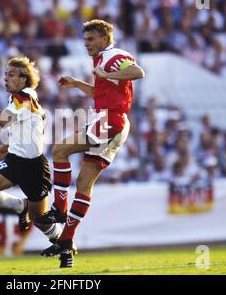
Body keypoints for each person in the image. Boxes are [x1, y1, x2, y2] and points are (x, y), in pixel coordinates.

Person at [36, 19, 145, 267]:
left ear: (105, 39)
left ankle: (60, 209)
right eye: (85, 40)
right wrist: (77, 84)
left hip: (110, 120)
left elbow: (138, 72)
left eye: (91, 39)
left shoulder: (112, 55)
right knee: (84, 183)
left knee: (60, 149)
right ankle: (66, 241)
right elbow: (102, 92)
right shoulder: (101, 60)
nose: (87, 44)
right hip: (115, 124)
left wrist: (106, 73)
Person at [0, 57, 62, 247]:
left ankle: (64, 245)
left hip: (34, 167)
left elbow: (4, 121)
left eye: (11, 75)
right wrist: (10, 144)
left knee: (40, 220)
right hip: (14, 160)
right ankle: (19, 205)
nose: (6, 79)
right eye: (5, 74)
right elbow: (34, 126)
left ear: (23, 79)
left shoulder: (24, 97)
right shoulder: (21, 99)